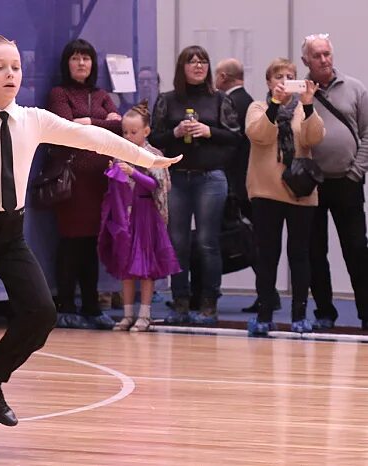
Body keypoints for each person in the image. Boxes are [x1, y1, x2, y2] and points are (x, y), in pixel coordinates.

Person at [0, 33, 182, 451]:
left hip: (10, 232)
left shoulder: (35, 120)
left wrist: (147, 158)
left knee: (41, 313)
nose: (10, 74)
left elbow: (94, 138)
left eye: (16, 67)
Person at [149, 45, 240, 326]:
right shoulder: (167, 100)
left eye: (203, 61)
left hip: (210, 178)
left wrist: (209, 131)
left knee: (207, 242)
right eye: (192, 62)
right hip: (177, 177)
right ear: (182, 68)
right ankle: (180, 303)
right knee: (177, 243)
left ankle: (209, 304)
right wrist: (176, 132)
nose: (198, 66)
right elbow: (156, 138)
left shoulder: (219, 100)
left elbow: (236, 138)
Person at [245, 58, 324, 335]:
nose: (284, 80)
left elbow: (314, 138)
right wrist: (275, 104)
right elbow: (259, 136)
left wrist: (310, 104)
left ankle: (300, 315)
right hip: (266, 191)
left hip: (300, 193)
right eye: (279, 76)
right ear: (269, 82)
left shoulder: (304, 109)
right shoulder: (258, 107)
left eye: (290, 75)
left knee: (300, 254)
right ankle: (265, 314)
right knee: (267, 255)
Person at [47, 38, 121, 330]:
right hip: (72, 181)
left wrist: (88, 121)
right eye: (76, 58)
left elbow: (121, 126)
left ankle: (91, 306)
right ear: (67, 63)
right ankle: (66, 305)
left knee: (91, 244)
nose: (81, 63)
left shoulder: (102, 94)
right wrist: (100, 121)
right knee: (70, 242)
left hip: (99, 182)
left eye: (86, 58)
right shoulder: (58, 93)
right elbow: (67, 127)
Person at [301, 34, 368, 331]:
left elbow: (367, 133)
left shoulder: (355, 88)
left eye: (327, 53)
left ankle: (366, 312)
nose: (324, 60)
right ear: (306, 61)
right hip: (311, 184)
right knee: (315, 252)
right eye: (317, 55)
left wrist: (356, 171)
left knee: (356, 249)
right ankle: (325, 312)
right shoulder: (298, 92)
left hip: (347, 181)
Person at [99, 102, 180, 331]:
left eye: (133, 132)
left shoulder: (154, 155)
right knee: (126, 266)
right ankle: (127, 314)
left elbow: (157, 185)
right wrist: (114, 172)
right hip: (126, 216)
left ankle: (144, 314)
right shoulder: (120, 154)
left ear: (146, 131)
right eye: (125, 132)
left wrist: (133, 172)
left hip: (146, 216)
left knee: (146, 267)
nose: (128, 136)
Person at [214, 59, 282, 314]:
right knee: (256, 240)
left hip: (240, 183)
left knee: (252, 241)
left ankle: (267, 294)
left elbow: (232, 146)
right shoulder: (249, 101)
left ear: (222, 77)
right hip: (247, 182)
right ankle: (268, 293)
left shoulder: (233, 103)